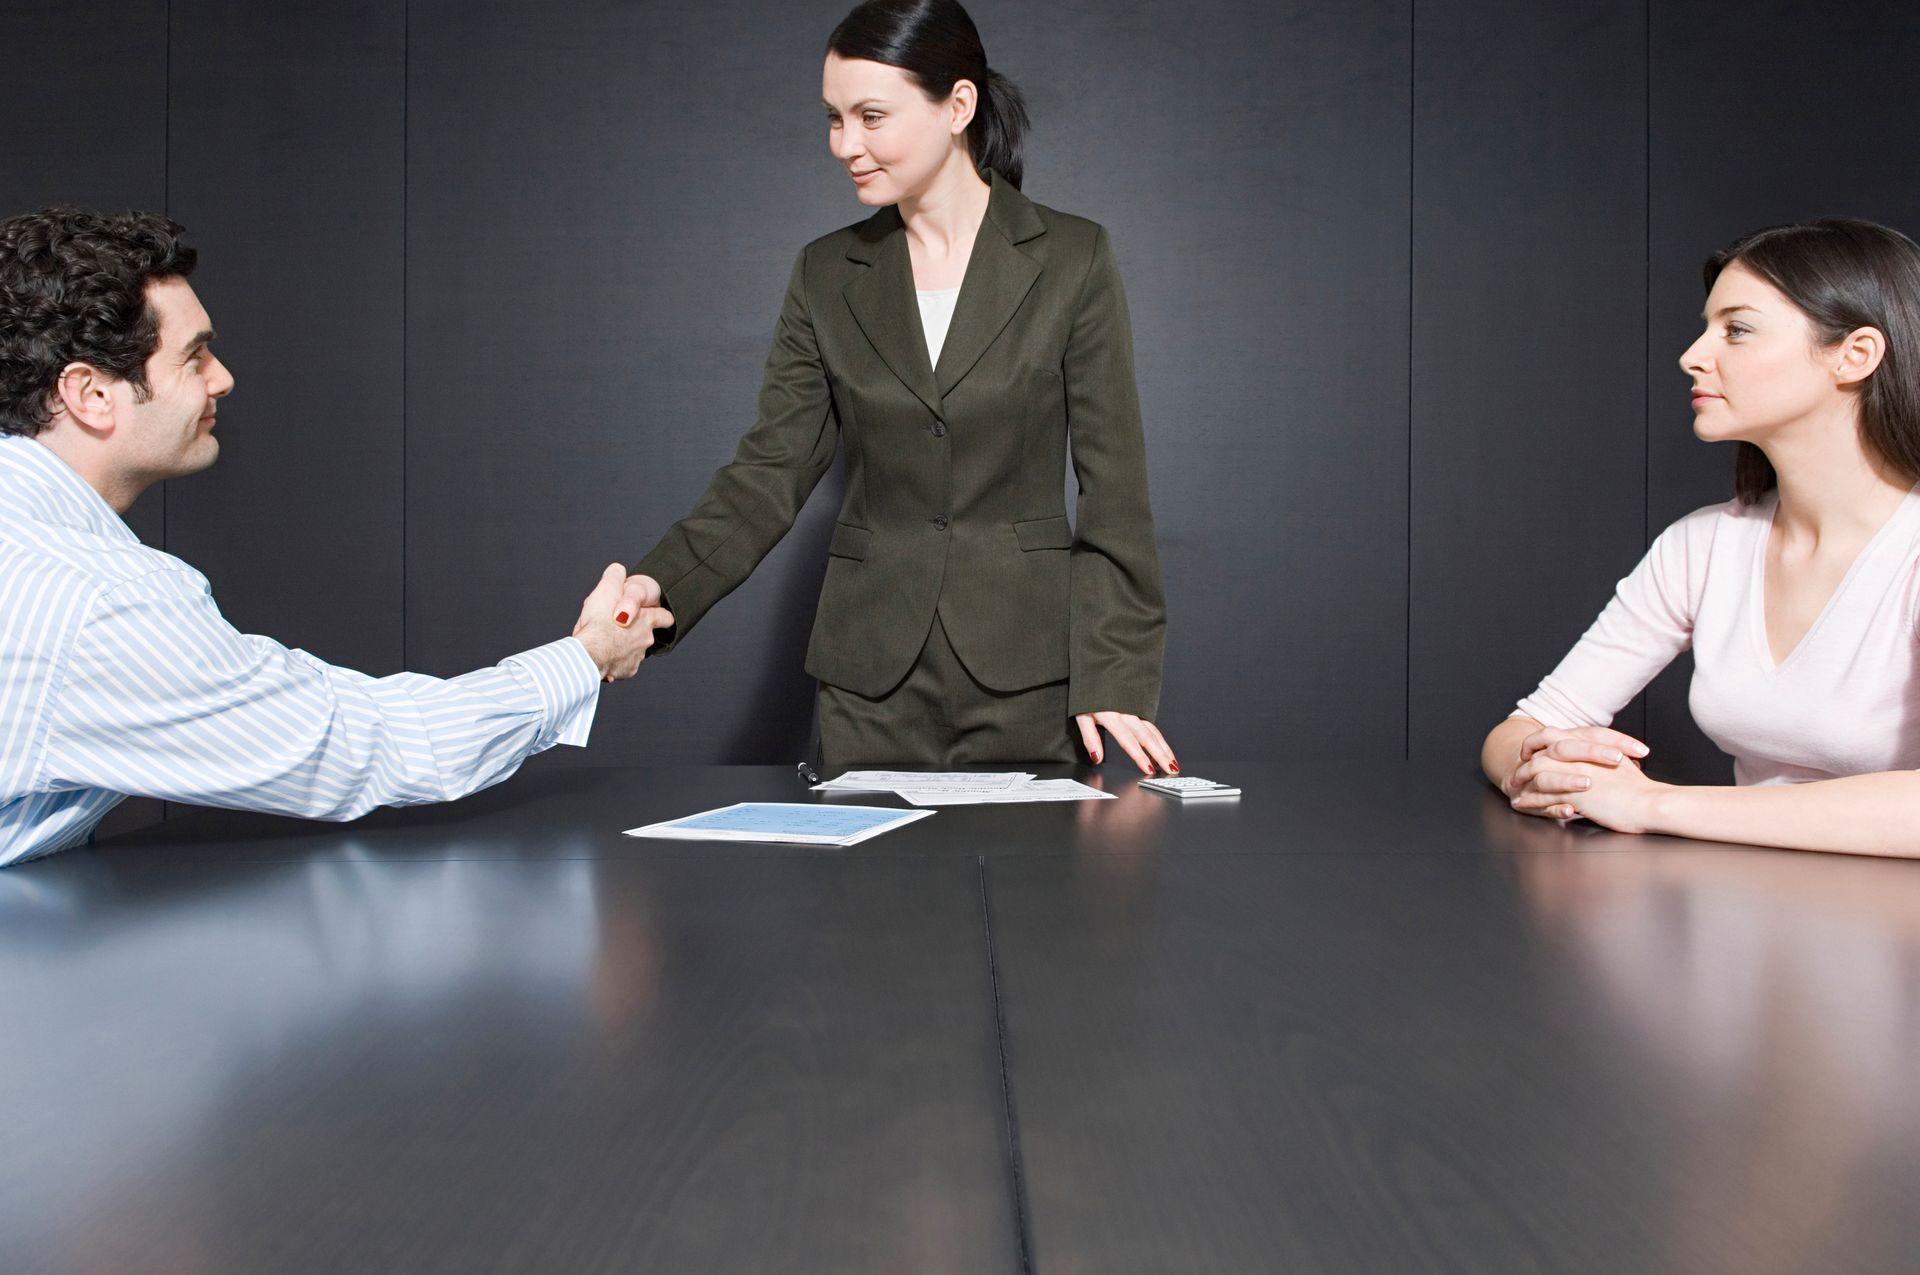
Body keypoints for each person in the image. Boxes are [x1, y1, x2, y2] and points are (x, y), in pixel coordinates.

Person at [0, 206, 671, 867]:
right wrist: (589, 656)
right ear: (89, 394)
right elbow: (364, 746)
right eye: (193, 357)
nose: (222, 378)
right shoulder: (98, 603)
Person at [623, 0, 1176, 776]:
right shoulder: (825, 273)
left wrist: (1113, 672)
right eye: (834, 118)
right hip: (866, 682)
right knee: (866, 899)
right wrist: (657, 585)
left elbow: (1114, 487)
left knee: (1038, 896)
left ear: (958, 105)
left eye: (871, 116)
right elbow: (769, 472)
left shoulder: (1074, 259)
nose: (845, 144)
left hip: (1028, 678)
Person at [1483, 217, 1920, 858]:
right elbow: (1528, 725)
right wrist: (1548, 761)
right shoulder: (1705, 544)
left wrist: (1652, 803)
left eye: (1736, 330)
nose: (1693, 355)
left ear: (1855, 355)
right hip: (1746, 922)